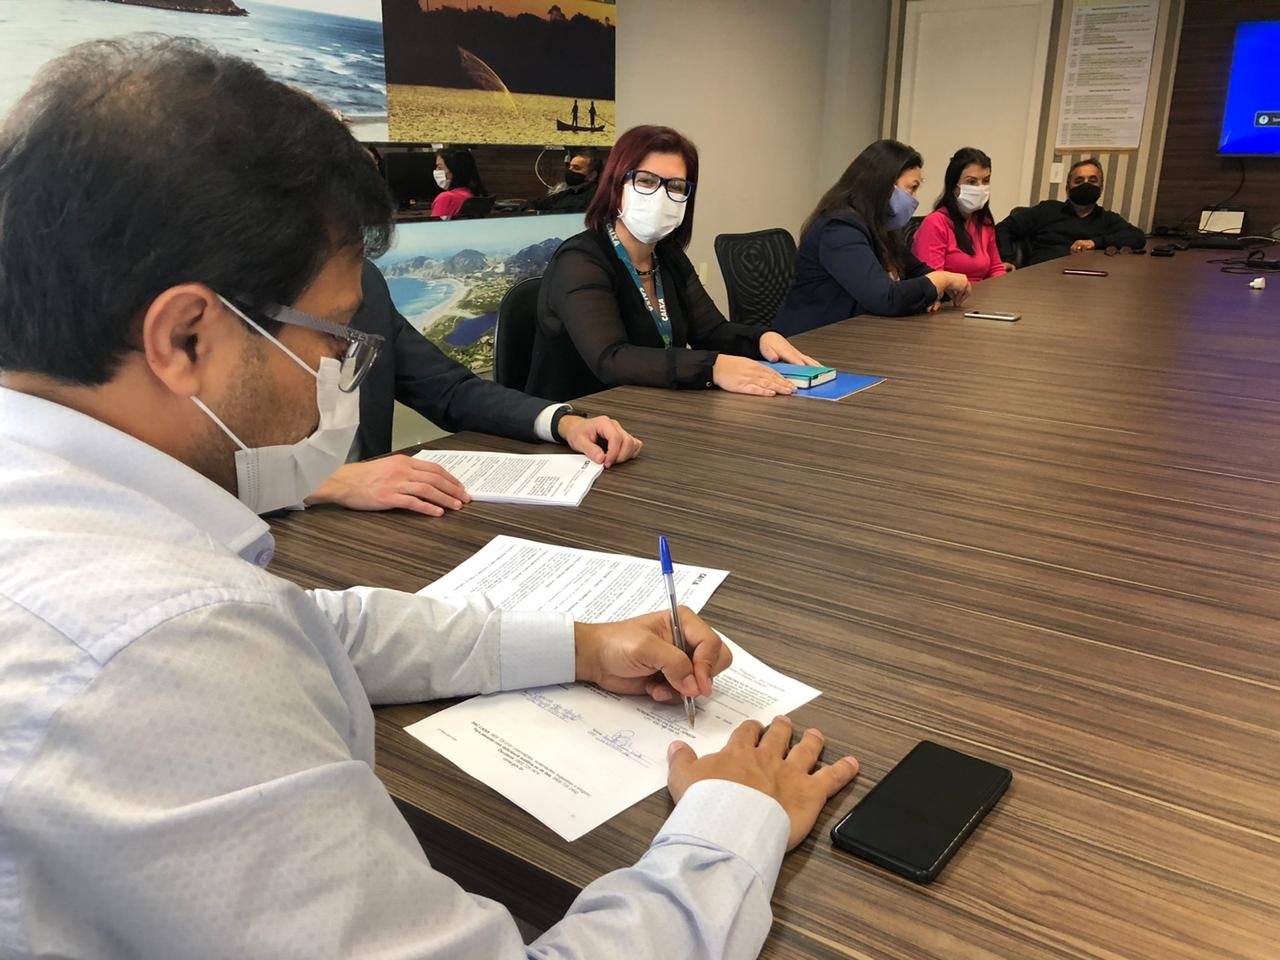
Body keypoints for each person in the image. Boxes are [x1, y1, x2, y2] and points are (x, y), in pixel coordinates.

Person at [0, 37, 860, 959]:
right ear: (185, 338)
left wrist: (581, 644)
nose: (342, 371)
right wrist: (731, 826)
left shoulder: (70, 517)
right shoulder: (155, 656)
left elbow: (314, 626)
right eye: (331, 340)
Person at [303, 259, 642, 518]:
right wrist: (329, 483)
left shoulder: (361, 279)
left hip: (372, 522)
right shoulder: (267, 298)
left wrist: (563, 423)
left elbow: (450, 390)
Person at [525, 124, 822, 402]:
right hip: (582, 418)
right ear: (616, 186)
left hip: (653, 408)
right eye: (646, 181)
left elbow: (711, 332)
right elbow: (611, 359)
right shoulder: (579, 261)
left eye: (676, 186)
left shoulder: (667, 255)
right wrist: (712, 368)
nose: (661, 195)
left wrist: (761, 339)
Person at [773, 139, 972, 336]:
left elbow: (918, 273)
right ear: (883, 186)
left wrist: (935, 289)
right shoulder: (839, 228)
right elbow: (885, 298)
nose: (914, 199)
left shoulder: (882, 228)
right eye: (912, 188)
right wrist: (940, 280)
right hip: (812, 340)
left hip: (857, 333)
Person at [995, 158, 1146, 266]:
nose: (1086, 185)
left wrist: (1094, 243)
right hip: (1042, 279)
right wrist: (1006, 260)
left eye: (1092, 180)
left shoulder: (1107, 218)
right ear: (1067, 188)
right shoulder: (1047, 210)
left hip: (1088, 283)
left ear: (1101, 188)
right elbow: (1003, 228)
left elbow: (1137, 237)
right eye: (1079, 181)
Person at [911, 147, 1006, 283]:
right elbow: (932, 281)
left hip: (982, 294)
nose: (980, 188)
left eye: (986, 180)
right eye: (971, 182)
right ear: (954, 185)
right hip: (949, 295)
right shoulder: (935, 223)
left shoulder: (984, 222)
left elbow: (995, 268)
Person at [531, 148, 602, 214]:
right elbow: (536, 203)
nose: (570, 170)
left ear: (592, 175)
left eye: (576, 168)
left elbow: (571, 212)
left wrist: (538, 213)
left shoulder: (597, 196)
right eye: (570, 166)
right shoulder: (568, 193)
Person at [431, 146, 486, 219]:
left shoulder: (446, 198)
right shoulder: (472, 194)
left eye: (440, 167)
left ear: (454, 170)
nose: (436, 171)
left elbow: (435, 226)